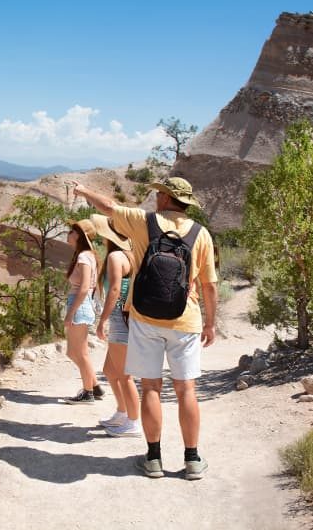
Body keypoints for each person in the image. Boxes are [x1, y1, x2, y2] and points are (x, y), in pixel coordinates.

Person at [72, 177, 217, 480]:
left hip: (145, 317)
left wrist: (84, 190)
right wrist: (211, 323)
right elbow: (209, 286)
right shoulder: (201, 234)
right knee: (186, 389)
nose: (155, 197)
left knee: (150, 386)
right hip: (185, 319)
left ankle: (153, 459)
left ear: (165, 198)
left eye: (158, 194)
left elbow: (109, 208)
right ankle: (192, 460)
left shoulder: (144, 222)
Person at [90, 214, 141, 437]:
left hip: (120, 318)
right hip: (126, 317)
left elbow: (114, 290)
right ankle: (122, 412)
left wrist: (102, 320)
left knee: (124, 375)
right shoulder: (131, 254)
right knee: (110, 371)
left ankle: (133, 422)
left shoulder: (115, 257)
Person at [63, 218, 104, 404]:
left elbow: (85, 286)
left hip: (79, 305)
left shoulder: (83, 257)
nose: (69, 233)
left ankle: (88, 392)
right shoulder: (87, 255)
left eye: (72, 231)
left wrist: (71, 312)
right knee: (74, 352)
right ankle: (94, 386)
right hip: (82, 304)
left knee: (79, 353)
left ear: (79, 236)